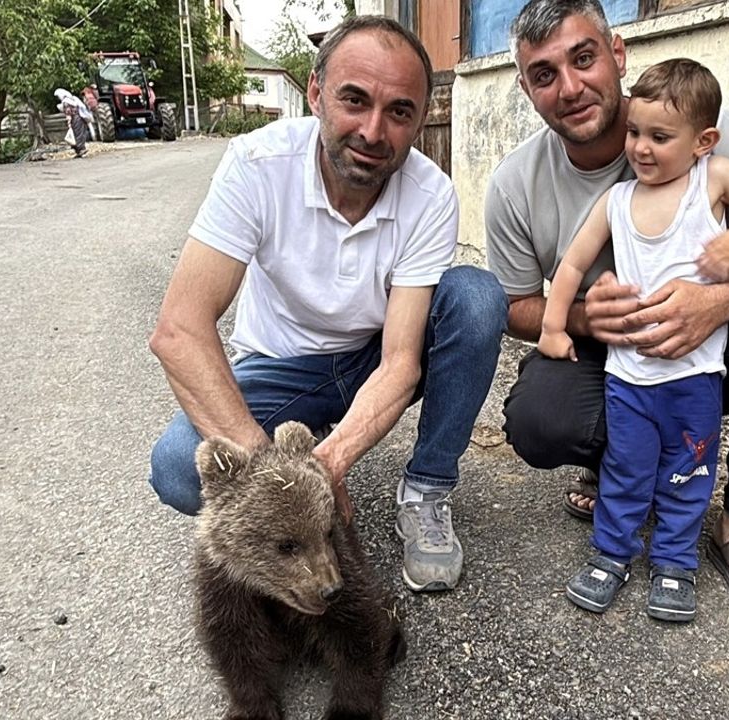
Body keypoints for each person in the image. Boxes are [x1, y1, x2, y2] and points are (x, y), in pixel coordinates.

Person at [486, 0, 729, 628]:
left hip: (708, 348)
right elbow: (516, 307)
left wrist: (717, 300)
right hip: (616, 359)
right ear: (526, 89)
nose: (569, 87)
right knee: (538, 417)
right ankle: (624, 476)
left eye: (583, 58)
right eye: (543, 74)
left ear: (617, 54)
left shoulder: (704, 141)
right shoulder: (517, 183)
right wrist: (585, 320)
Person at [148, 16, 507, 593]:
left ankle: (426, 489)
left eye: (399, 112)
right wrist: (281, 487)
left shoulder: (430, 194)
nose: (373, 130)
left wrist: (328, 465)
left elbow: (398, 363)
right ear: (315, 93)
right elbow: (179, 330)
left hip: (374, 352)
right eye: (354, 100)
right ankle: (270, 537)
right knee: (176, 469)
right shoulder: (257, 165)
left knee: (477, 297)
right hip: (282, 365)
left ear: (418, 120)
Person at [537, 58, 729, 623]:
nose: (641, 148)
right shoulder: (617, 201)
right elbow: (573, 265)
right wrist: (554, 327)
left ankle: (675, 562)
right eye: (634, 132)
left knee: (688, 473)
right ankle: (611, 554)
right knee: (625, 469)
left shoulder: (715, 179)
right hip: (629, 378)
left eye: (659, 137)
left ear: (703, 141)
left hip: (695, 378)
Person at [55, 88, 91, 158]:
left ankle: (81, 150)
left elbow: (69, 113)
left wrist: (69, 123)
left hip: (75, 119)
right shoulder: (72, 100)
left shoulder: (66, 102)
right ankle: (80, 150)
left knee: (77, 135)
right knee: (79, 134)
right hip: (80, 118)